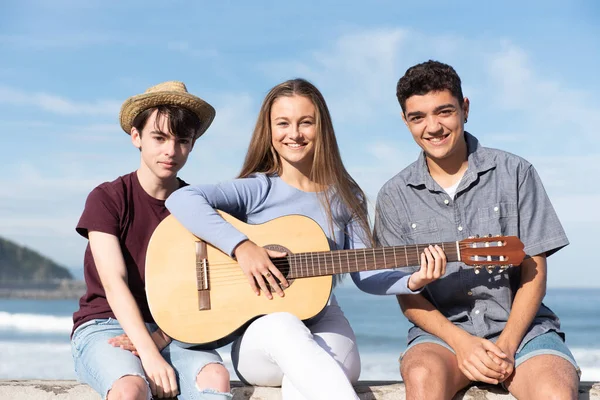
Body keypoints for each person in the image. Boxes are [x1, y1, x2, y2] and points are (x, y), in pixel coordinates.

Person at [163, 78, 446, 400]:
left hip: (324, 317)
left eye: (305, 122)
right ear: (269, 131)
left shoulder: (345, 195)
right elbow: (181, 200)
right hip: (264, 334)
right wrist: (243, 248)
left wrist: (414, 279)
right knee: (285, 327)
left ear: (321, 128)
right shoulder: (258, 188)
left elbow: (366, 274)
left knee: (312, 373)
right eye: (283, 123)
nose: (294, 134)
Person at [373, 60, 580, 400]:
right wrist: (462, 343)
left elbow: (534, 269)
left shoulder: (516, 172)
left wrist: (507, 346)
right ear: (405, 121)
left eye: (444, 112)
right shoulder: (394, 195)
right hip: (443, 337)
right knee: (422, 377)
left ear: (464, 108)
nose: (433, 127)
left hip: (525, 331)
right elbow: (407, 293)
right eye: (418, 117)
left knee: (554, 392)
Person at [70, 81, 232, 400]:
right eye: (159, 138)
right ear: (136, 137)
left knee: (215, 376)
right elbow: (114, 282)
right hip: (106, 323)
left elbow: (204, 289)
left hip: (174, 331)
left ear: (192, 144)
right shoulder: (108, 198)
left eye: (182, 140)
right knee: (131, 389)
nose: (170, 151)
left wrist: (159, 339)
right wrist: (149, 352)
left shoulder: (197, 207)